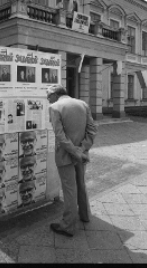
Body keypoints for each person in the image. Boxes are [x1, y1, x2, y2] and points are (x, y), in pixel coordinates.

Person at [46, 84, 97, 237]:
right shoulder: (83, 104)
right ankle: (85, 215)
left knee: (69, 189)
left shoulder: (55, 107)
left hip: (65, 155)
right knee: (80, 184)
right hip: (81, 154)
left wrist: (74, 151)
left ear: (55, 94)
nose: (47, 99)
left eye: (48, 96)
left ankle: (68, 225)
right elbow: (92, 130)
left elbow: (60, 136)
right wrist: (82, 149)